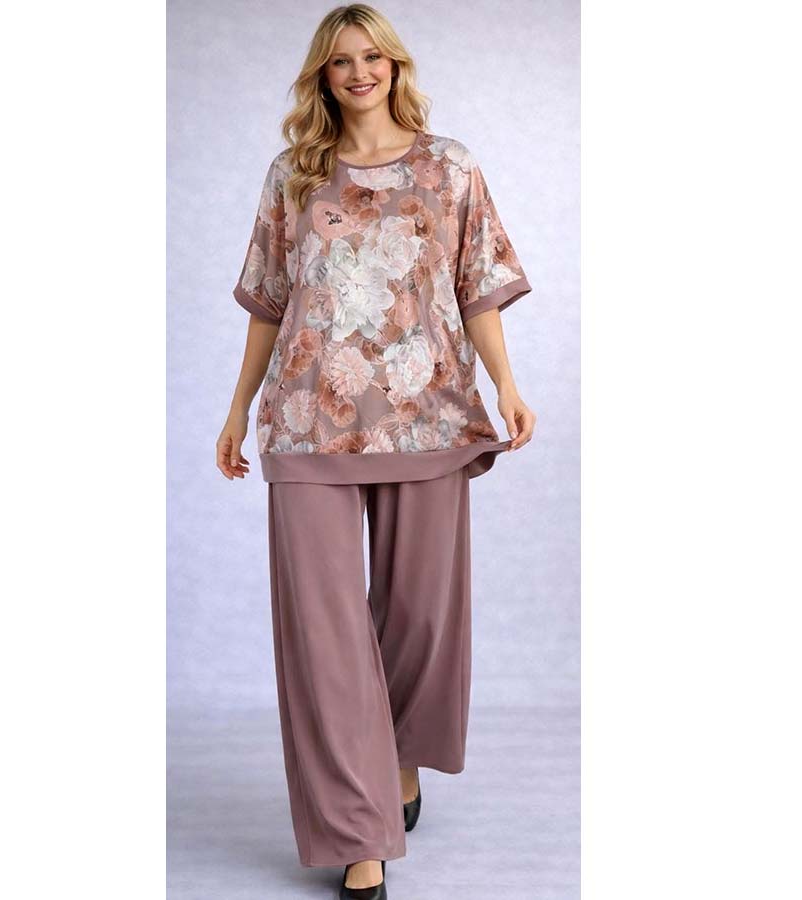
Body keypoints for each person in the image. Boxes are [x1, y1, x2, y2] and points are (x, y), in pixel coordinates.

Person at [216, 4, 536, 897]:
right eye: (341, 61)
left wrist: (506, 385)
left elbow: (476, 286)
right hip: (307, 418)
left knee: (422, 612)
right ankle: (361, 836)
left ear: (396, 66)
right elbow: (268, 303)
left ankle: (399, 752)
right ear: (322, 76)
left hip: (429, 413)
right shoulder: (294, 174)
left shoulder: (450, 166)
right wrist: (237, 409)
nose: (359, 72)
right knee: (324, 633)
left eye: (374, 57)